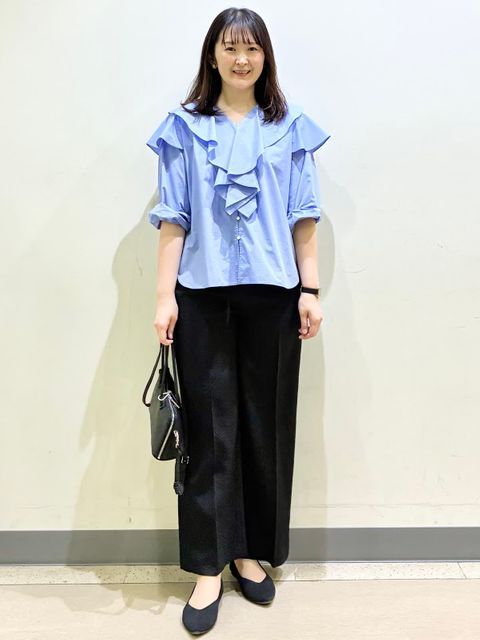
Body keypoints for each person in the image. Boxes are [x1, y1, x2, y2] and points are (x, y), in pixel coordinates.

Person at [146, 7, 331, 635]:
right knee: (206, 433)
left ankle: (249, 553)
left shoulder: (290, 127)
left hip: (274, 296)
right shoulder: (183, 127)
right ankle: (207, 567)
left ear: (265, 57)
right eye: (230, 47)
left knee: (263, 427)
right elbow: (174, 217)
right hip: (200, 297)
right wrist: (164, 297)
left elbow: (304, 215)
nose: (241, 59)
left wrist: (310, 289)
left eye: (252, 48)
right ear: (213, 55)